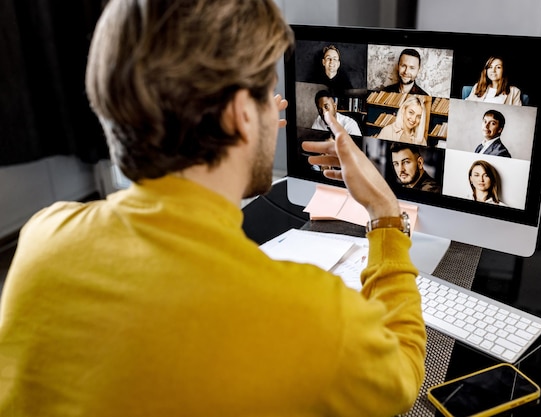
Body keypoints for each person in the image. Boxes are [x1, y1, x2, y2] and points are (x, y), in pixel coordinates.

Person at [0, 1, 426, 416]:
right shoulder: (306, 314)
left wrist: (239, 151)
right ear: (241, 113)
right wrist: (385, 212)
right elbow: (402, 377)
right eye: (264, 95)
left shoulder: (43, 237)